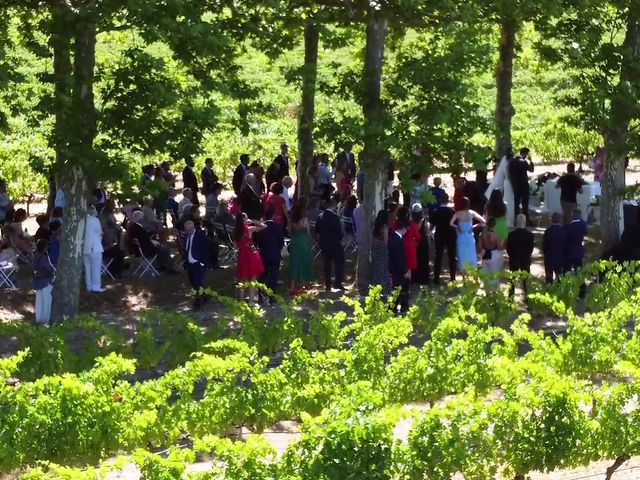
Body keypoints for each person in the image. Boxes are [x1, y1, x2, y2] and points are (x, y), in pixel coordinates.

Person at [233, 212, 266, 303]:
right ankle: (251, 302)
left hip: (242, 255)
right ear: (244, 220)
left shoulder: (236, 232)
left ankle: (241, 301)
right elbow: (264, 226)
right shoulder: (249, 229)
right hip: (251, 255)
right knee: (252, 279)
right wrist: (254, 221)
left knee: (242, 279)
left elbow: (236, 246)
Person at [315, 195, 345, 291]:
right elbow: (339, 232)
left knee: (327, 265)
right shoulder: (335, 217)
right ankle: (337, 283)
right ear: (334, 205)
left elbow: (317, 230)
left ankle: (328, 284)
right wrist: (340, 238)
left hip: (324, 244)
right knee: (339, 263)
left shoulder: (320, 217)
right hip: (335, 243)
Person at [450, 196, 485, 276]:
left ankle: (464, 279)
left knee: (462, 257)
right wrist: (474, 226)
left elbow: (451, 223)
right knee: (471, 256)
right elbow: (484, 221)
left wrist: (457, 227)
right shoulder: (472, 213)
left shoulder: (458, 213)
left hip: (461, 237)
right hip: (469, 237)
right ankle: (471, 276)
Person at [256, 207, 285, 302]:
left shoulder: (261, 227)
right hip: (275, 253)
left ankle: (260, 295)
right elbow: (281, 241)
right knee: (274, 275)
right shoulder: (278, 227)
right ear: (273, 216)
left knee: (263, 275)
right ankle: (271, 296)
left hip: (264, 253)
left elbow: (258, 241)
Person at [182, 220, 210, 310]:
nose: (188, 232)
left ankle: (197, 302)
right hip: (190, 264)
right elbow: (186, 249)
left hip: (198, 263)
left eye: (190, 230)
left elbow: (206, 249)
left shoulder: (200, 236)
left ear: (193, 228)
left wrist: (202, 263)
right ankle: (206, 295)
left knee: (197, 283)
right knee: (193, 282)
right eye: (186, 230)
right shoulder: (186, 237)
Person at [288, 202, 314, 295]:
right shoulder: (304, 220)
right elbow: (308, 232)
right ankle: (302, 286)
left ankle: (292, 287)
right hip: (303, 242)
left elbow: (290, 232)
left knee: (294, 263)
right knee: (303, 262)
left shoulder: (291, 221)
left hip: (294, 242)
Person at [506, 214, 534, 296]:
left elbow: (508, 248)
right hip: (525, 260)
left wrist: (511, 256)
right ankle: (528, 300)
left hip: (514, 259)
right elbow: (530, 249)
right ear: (524, 222)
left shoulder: (511, 235)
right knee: (526, 283)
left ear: (516, 222)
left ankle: (510, 300)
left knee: (512, 281)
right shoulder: (530, 235)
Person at [388, 212, 410, 313]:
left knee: (399, 288)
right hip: (398, 269)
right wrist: (405, 270)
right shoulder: (397, 240)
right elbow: (399, 257)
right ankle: (392, 308)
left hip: (396, 268)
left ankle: (396, 307)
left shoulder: (394, 237)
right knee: (398, 289)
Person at [369, 210, 393, 297]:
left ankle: (375, 290)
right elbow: (385, 242)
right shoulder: (385, 228)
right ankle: (385, 292)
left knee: (376, 270)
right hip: (382, 251)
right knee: (384, 271)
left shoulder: (375, 226)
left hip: (375, 250)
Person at [508, 147, 534, 224]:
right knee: (525, 204)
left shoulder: (512, 161)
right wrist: (531, 161)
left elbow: (509, 173)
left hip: (515, 185)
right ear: (525, 154)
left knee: (516, 203)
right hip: (524, 185)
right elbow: (531, 170)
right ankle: (526, 220)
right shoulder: (524, 162)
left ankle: (516, 220)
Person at [33, 239, 55, 325]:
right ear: (45, 247)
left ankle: (39, 319)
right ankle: (46, 319)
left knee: (39, 302)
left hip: (38, 282)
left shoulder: (36, 257)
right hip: (46, 281)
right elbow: (48, 269)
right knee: (46, 301)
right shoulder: (44, 258)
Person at [84, 205, 105, 293]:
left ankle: (88, 286)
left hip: (85, 247)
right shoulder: (94, 220)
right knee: (96, 267)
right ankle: (96, 286)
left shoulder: (81, 220)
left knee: (87, 267)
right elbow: (99, 232)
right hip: (95, 246)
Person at [478, 218, 504, 289]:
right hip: (494, 255)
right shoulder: (496, 235)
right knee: (494, 274)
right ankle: (494, 292)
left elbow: (479, 248)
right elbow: (499, 247)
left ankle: (487, 292)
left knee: (486, 275)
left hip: (484, 255)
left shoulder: (482, 234)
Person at [543, 212, 567, 284]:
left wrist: (545, 252)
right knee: (559, 276)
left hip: (549, 257)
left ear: (552, 220)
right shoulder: (563, 231)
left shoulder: (548, 231)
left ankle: (549, 290)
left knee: (549, 276)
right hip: (560, 256)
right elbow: (565, 244)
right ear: (559, 220)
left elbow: (544, 245)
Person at [411, 204, 430, 285]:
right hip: (423, 244)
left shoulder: (411, 222)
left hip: (414, 243)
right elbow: (427, 232)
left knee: (415, 261)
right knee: (424, 261)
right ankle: (423, 279)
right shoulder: (424, 222)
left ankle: (415, 278)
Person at [565, 209, 587, 273]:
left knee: (568, 270)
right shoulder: (583, 226)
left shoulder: (568, 227)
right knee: (578, 269)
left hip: (569, 251)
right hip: (579, 250)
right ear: (580, 216)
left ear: (573, 215)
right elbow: (585, 233)